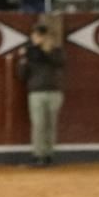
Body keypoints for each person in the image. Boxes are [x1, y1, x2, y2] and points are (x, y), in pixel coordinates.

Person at [18, 24, 65, 167]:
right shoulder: (30, 52)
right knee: (39, 125)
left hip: (52, 91)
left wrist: (45, 50)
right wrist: (24, 60)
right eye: (36, 35)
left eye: (40, 35)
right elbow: (21, 74)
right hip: (37, 92)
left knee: (50, 125)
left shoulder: (56, 51)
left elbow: (59, 62)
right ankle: (39, 155)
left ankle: (48, 155)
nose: (37, 38)